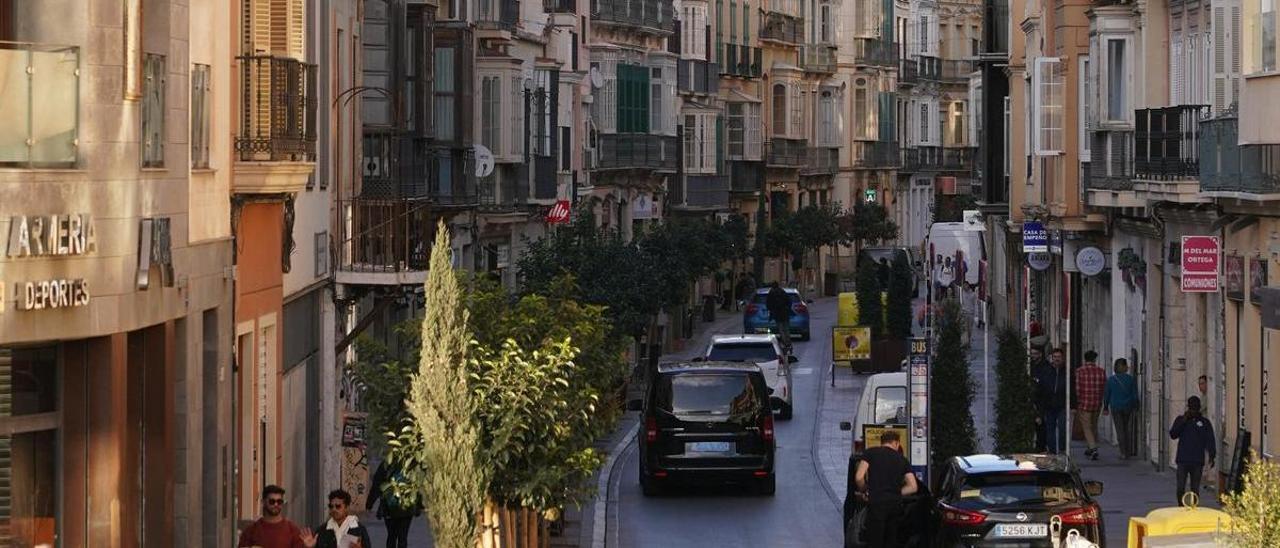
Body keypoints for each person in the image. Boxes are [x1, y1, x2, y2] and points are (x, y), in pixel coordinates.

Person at [854, 430, 919, 548]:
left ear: (882, 442)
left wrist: (865, 490)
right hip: (895, 504)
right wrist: (897, 492)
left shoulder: (870, 453)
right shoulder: (902, 460)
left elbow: (859, 477)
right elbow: (913, 486)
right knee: (891, 540)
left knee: (874, 540)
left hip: (876, 503)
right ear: (896, 443)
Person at [1170, 396, 1216, 506]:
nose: (1193, 410)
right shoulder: (1181, 419)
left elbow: (1210, 439)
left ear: (1199, 408)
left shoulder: (1204, 422)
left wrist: (1212, 455)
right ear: (1188, 407)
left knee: (1195, 489)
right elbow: (1173, 434)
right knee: (1180, 487)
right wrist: (1183, 421)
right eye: (1191, 408)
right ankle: (1181, 506)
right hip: (1183, 460)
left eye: (1195, 408)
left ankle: (1193, 507)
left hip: (1197, 460)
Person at [366, 461, 418, 548]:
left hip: (389, 507)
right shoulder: (410, 463)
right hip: (406, 507)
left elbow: (376, 485)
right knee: (403, 538)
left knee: (391, 536)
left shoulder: (386, 464)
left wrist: (369, 504)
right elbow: (417, 485)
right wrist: (418, 506)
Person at [238, 485, 308, 548]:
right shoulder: (251, 531)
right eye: (272, 501)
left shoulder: (293, 530)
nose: (276, 504)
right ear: (263, 502)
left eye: (279, 501)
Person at [1102, 358, 1140, 459]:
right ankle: (1128, 450)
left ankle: (1123, 452)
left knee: (1120, 430)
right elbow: (1135, 394)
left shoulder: (1111, 380)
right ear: (1124, 367)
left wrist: (1105, 407)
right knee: (1127, 429)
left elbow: (1107, 395)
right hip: (1128, 407)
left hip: (1116, 407)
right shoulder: (1130, 379)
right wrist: (1136, 406)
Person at [1034, 348, 1069, 454]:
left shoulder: (1066, 371)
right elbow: (1040, 389)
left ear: (1062, 358)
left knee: (1063, 428)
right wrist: (1039, 409)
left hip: (1062, 404)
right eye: (1055, 357)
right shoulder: (1046, 371)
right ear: (1051, 358)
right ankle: (1053, 451)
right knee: (1050, 429)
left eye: (1059, 357)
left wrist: (1073, 406)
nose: (1056, 359)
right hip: (1049, 405)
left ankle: (1062, 449)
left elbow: (1071, 388)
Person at [1075, 351, 1106, 460]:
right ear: (1094, 359)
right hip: (1097, 403)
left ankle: (1093, 447)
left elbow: (1078, 388)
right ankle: (1089, 448)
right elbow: (1103, 388)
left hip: (1085, 403)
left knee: (1086, 427)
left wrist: (1078, 401)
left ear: (1085, 359)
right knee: (1094, 425)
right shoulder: (1101, 371)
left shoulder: (1080, 371)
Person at [1029, 345, 1050, 452]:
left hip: (1042, 399)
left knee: (1041, 423)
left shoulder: (1045, 367)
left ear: (1040, 354)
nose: (1033, 356)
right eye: (1032, 354)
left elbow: (1045, 384)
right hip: (1032, 398)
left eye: (1035, 354)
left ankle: (1041, 446)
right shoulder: (1030, 365)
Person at [765, 282, 794, 348]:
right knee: (786, 328)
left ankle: (784, 341)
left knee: (781, 328)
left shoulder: (771, 293)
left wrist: (771, 310)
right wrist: (787, 308)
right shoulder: (783, 292)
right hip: (785, 313)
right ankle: (788, 341)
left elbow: (768, 304)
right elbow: (789, 301)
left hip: (777, 313)